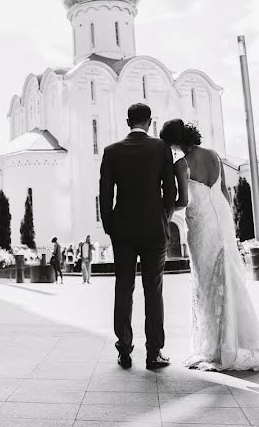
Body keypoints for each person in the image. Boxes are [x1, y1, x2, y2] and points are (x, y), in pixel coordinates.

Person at [160, 118, 259, 371]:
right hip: (223, 218)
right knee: (230, 276)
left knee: (207, 282)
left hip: (201, 222)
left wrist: (162, 208)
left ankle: (215, 346)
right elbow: (226, 194)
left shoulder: (181, 164)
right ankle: (237, 340)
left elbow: (184, 201)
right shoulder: (215, 155)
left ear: (175, 143)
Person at [99, 103, 175, 370]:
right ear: (150, 121)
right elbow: (171, 192)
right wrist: (164, 218)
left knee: (124, 289)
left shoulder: (111, 151)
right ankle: (154, 353)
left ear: (127, 121)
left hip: (123, 230)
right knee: (153, 291)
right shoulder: (161, 148)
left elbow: (105, 194)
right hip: (154, 229)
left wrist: (110, 226)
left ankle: (124, 350)